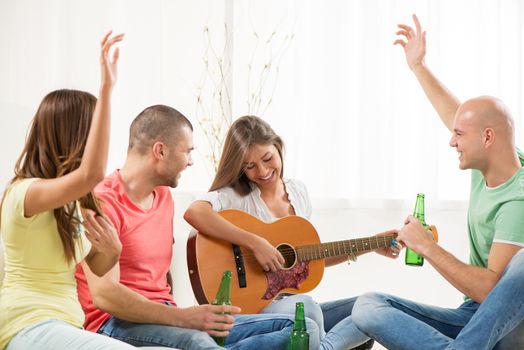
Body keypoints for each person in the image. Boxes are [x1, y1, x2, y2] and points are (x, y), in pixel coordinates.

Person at [351, 14, 524, 350]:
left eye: (459, 136)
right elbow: (457, 116)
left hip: (510, 324)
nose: (451, 141)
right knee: (368, 305)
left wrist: (427, 247)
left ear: (488, 138)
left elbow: (491, 291)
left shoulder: (517, 200)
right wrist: (419, 66)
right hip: (474, 318)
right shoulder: (493, 157)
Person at [75, 105, 302, 350]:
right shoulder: (102, 202)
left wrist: (183, 316)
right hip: (114, 323)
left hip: (168, 316)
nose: (191, 162)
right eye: (188, 151)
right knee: (198, 342)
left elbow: (159, 277)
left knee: (297, 327)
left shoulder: (163, 197)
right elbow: (104, 294)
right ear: (160, 151)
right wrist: (184, 318)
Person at [184, 115, 401, 350]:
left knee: (367, 307)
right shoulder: (235, 196)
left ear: (278, 147)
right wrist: (255, 243)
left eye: (268, 158)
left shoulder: (297, 191)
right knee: (306, 309)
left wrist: (370, 245)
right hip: (249, 312)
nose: (263, 171)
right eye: (250, 166)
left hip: (286, 304)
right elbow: (195, 212)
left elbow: (305, 258)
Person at [0, 32, 135, 350]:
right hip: (26, 324)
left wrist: (113, 251)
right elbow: (91, 173)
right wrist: (106, 89)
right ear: (76, 136)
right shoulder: (26, 193)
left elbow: (98, 266)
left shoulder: (74, 204)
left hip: (65, 325)